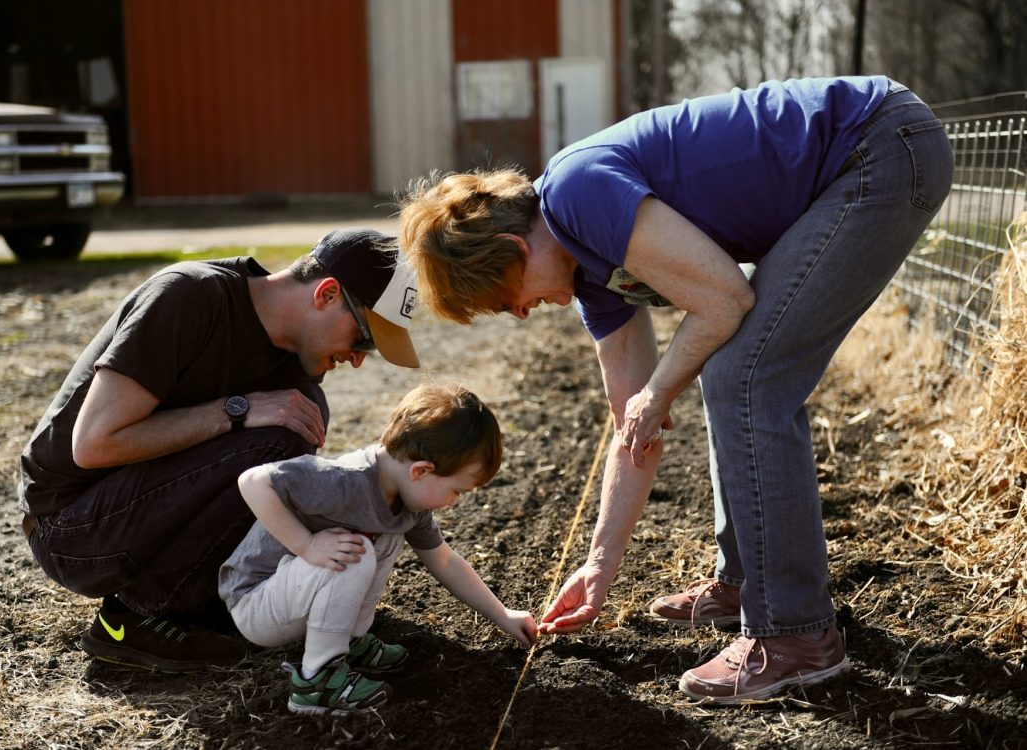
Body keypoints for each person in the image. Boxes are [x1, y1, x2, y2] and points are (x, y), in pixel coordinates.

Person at [398, 76, 954, 703]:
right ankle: (746, 582)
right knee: (733, 372)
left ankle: (796, 635)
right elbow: (632, 428)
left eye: (506, 299)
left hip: (877, 146)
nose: (522, 314)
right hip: (868, 149)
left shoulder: (577, 194)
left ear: (511, 247)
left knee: (745, 376)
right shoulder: (592, 276)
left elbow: (724, 298)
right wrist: (600, 565)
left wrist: (658, 390)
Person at [18, 227, 421, 673]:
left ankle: (209, 602)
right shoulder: (188, 297)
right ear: (326, 294)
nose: (358, 358)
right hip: (72, 528)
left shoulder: (294, 372)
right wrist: (237, 409)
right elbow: (92, 444)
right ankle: (134, 616)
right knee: (278, 437)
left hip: (133, 514)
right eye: (363, 338)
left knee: (298, 423)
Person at [218, 382, 537, 715]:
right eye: (457, 491)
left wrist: (502, 615)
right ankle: (316, 682)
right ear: (421, 471)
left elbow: (444, 560)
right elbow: (253, 482)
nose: (454, 502)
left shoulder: (408, 503)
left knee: (386, 535)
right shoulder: (343, 480)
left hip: (295, 595)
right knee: (356, 551)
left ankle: (349, 641)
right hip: (256, 603)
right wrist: (308, 544)